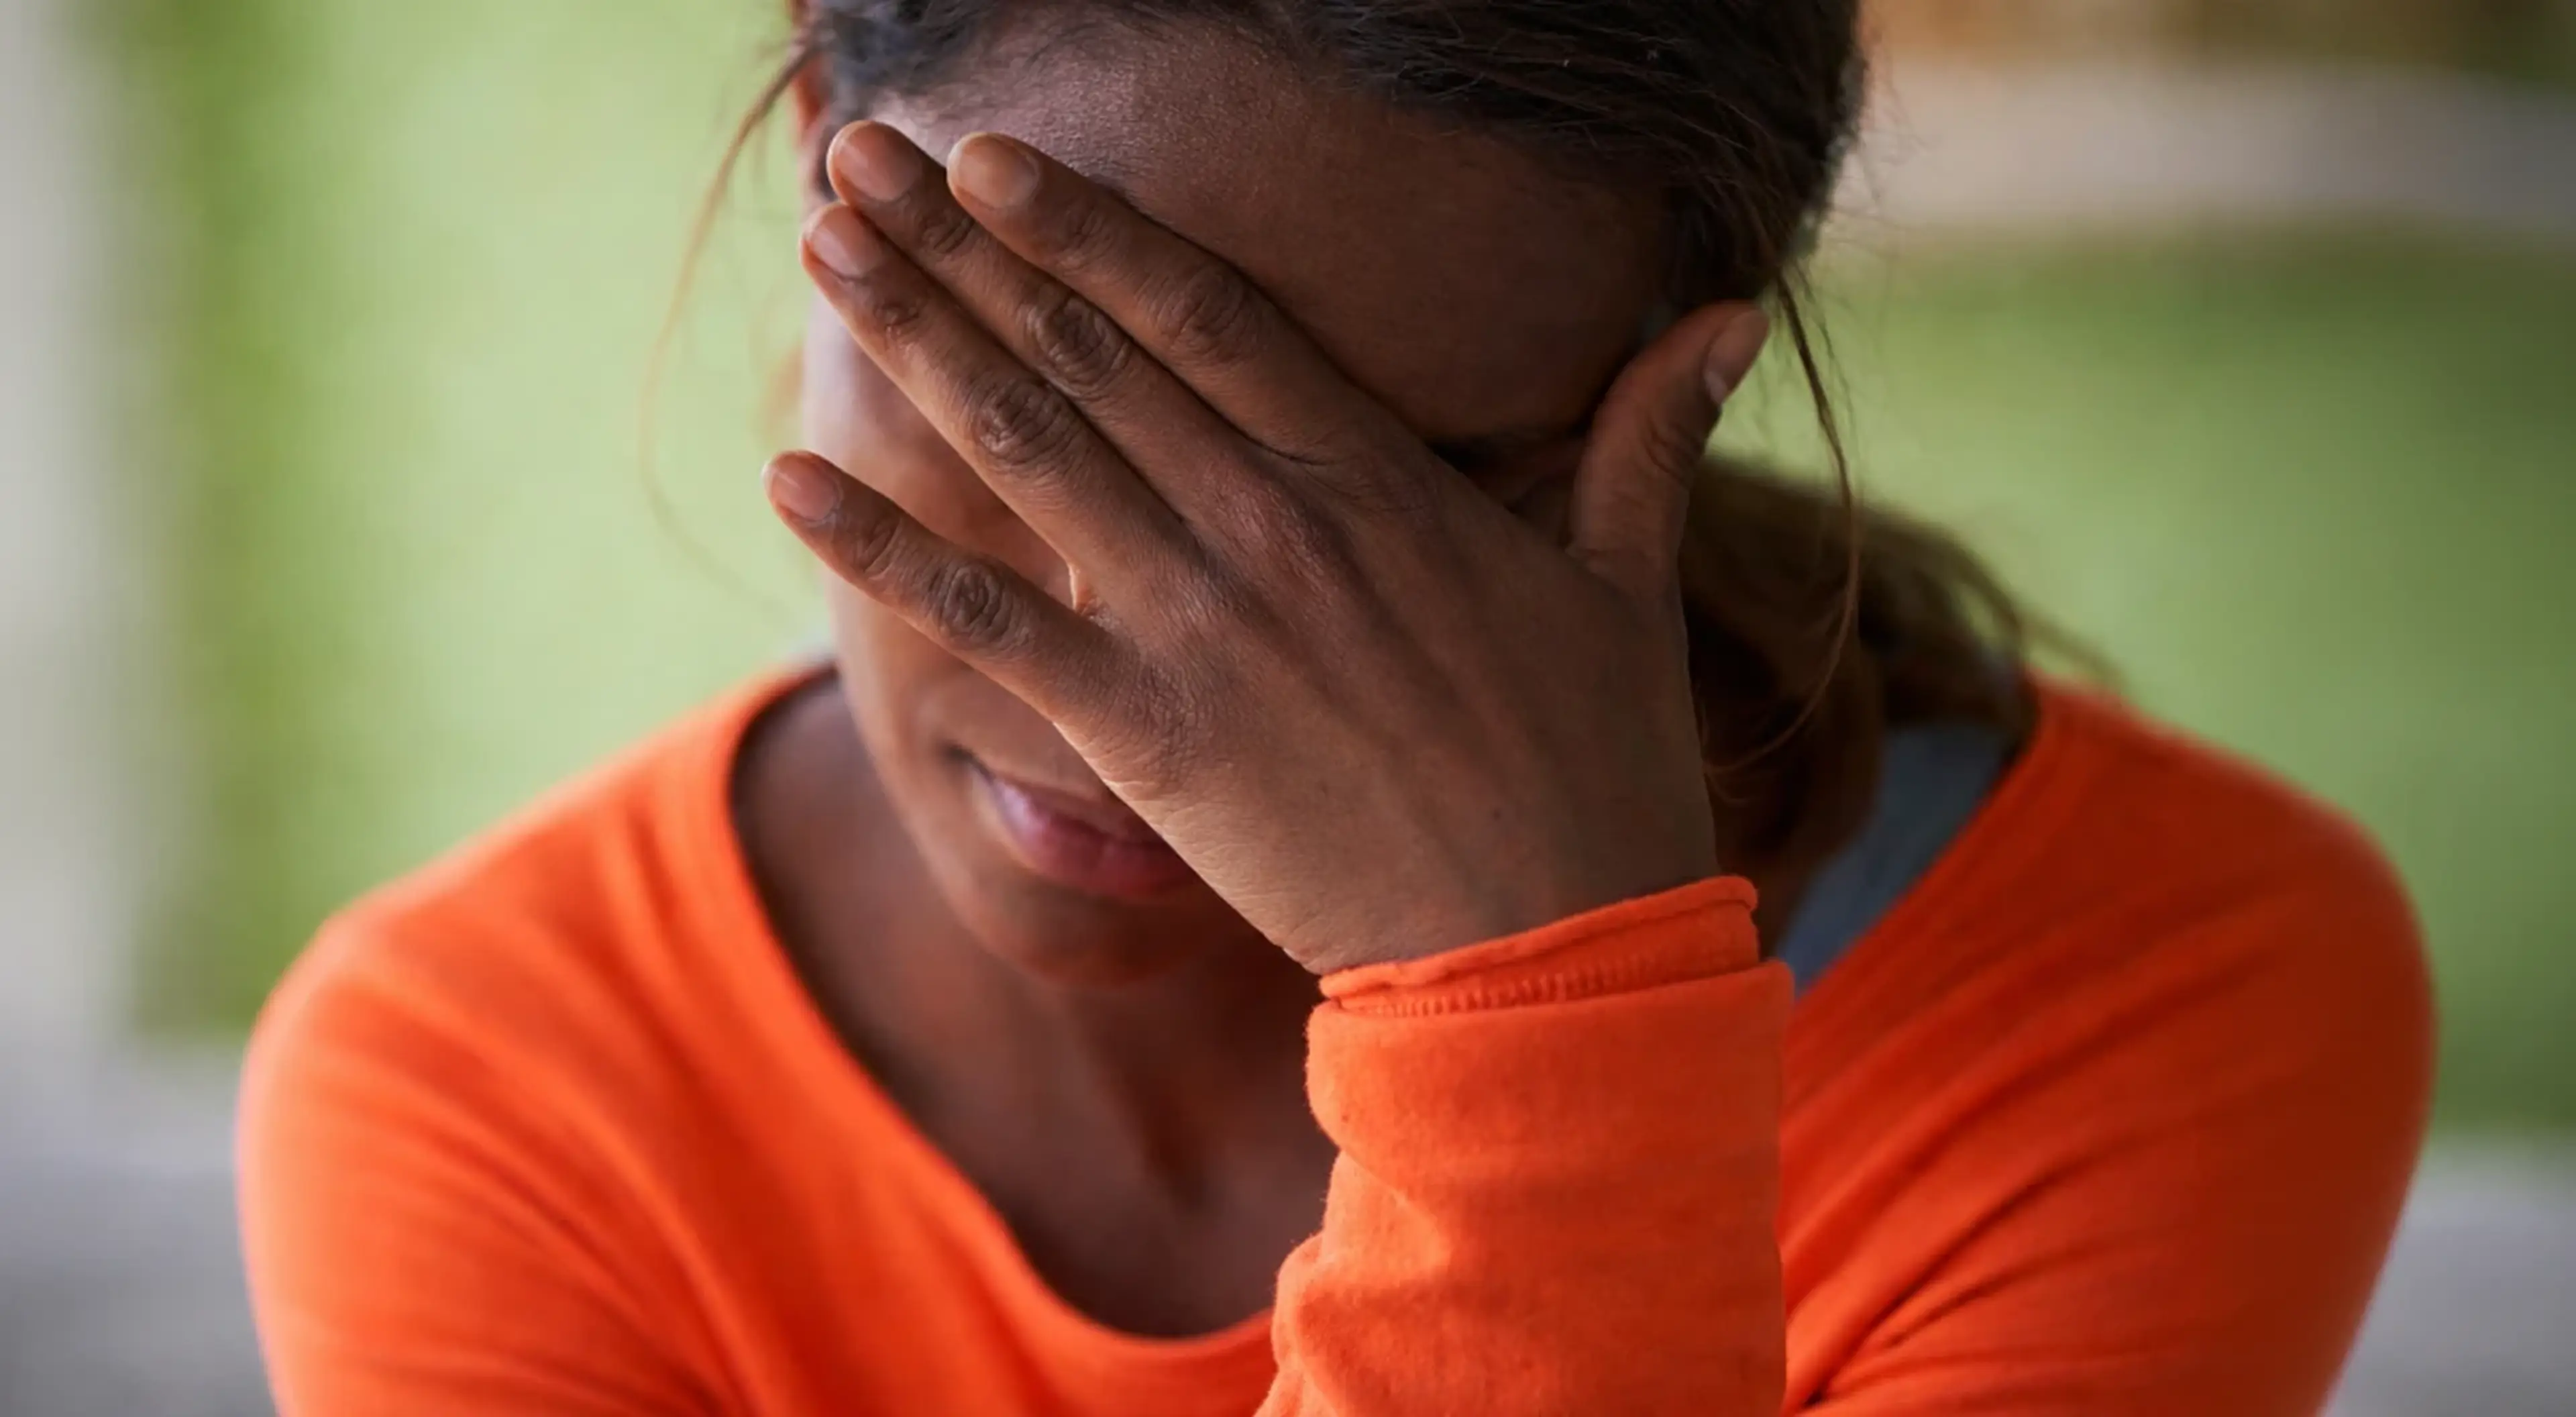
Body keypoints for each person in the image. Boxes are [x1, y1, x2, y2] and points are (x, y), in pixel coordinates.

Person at [235, 2, 2433, 1412]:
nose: (1132, 717)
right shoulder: (481, 1088)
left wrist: (1535, 1017)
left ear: (1682, 381)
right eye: (1030, 403)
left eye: (1401, 517)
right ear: (825, 124)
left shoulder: (2160, 987)